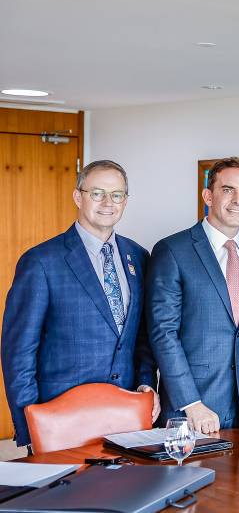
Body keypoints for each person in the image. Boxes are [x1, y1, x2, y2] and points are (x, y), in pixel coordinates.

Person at [2, 160, 158, 447]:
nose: (108, 203)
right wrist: (29, 426)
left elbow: (142, 339)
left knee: (124, 490)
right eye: (97, 193)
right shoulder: (41, 261)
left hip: (126, 415)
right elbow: (18, 351)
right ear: (78, 196)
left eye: (117, 194)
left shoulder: (138, 257)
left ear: (125, 200)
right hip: (60, 418)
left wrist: (145, 385)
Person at [146, 157, 239, 434]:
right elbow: (163, 333)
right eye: (228, 189)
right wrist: (191, 403)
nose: (237, 200)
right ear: (208, 195)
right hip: (192, 411)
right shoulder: (173, 250)